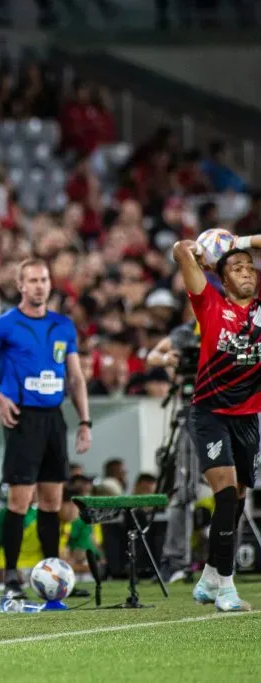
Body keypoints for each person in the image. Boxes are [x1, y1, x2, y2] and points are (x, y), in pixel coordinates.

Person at [0, 258, 92, 601]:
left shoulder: (63, 326)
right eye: (32, 280)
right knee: (20, 501)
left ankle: (53, 578)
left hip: (53, 417)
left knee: (52, 502)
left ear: (50, 284)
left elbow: (75, 378)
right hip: (23, 419)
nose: (39, 285)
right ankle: (12, 579)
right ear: (20, 285)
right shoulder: (3, 325)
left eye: (44, 279)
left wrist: (85, 422)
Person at [173, 236, 261, 611]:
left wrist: (240, 243)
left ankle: (210, 575)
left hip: (247, 418)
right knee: (225, 496)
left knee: (237, 501)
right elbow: (180, 249)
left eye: (249, 267)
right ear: (221, 278)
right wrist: (208, 261)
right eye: (236, 268)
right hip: (209, 415)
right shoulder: (209, 303)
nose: (246, 273)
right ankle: (226, 588)